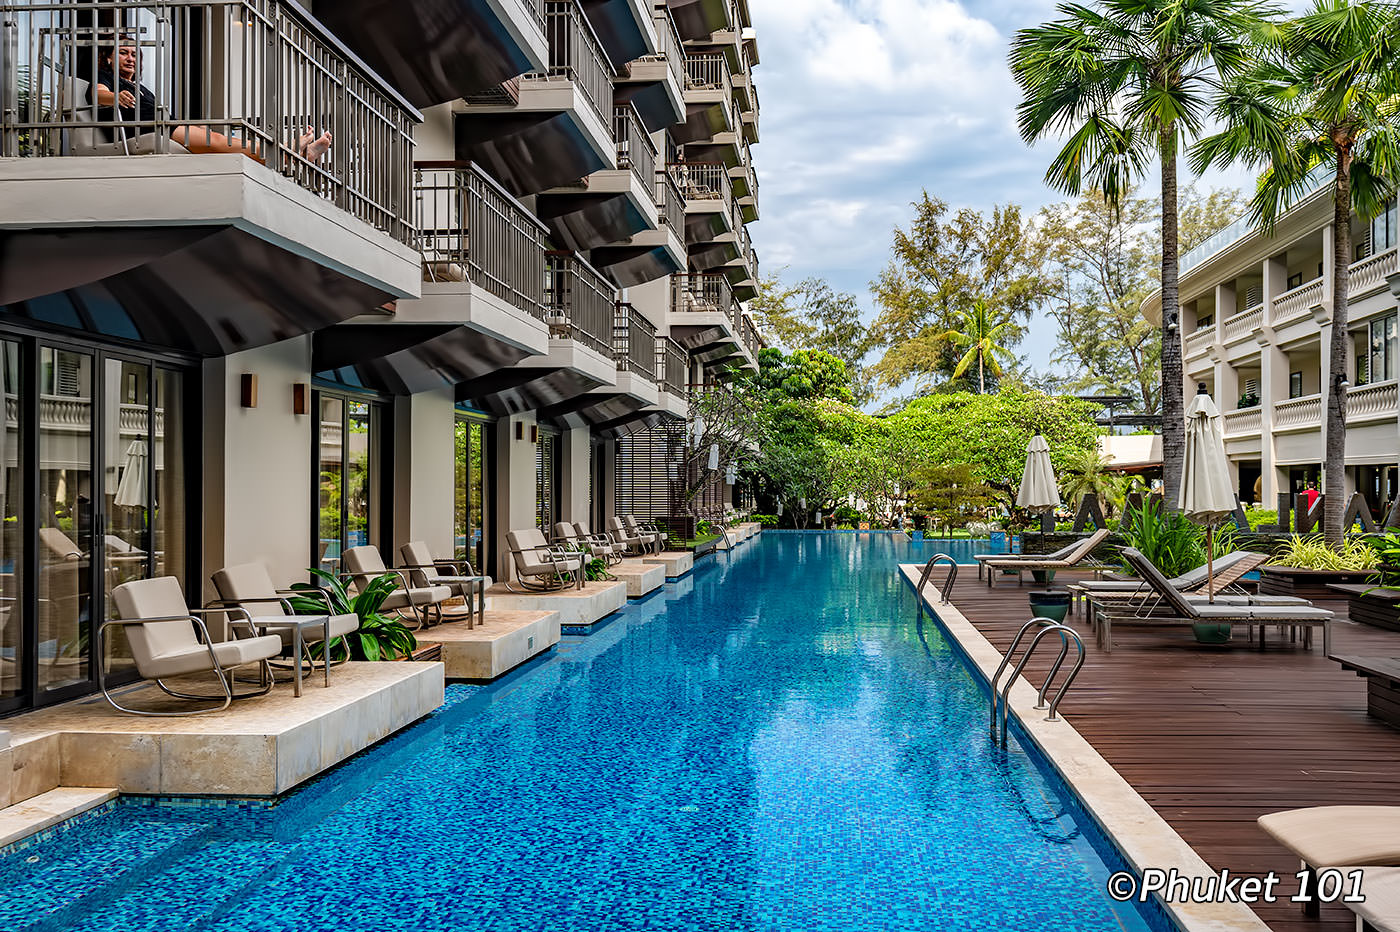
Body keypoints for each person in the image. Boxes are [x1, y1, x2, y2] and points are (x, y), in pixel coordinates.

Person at [91, 43, 332, 162]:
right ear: (108, 59)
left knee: (218, 141)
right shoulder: (106, 78)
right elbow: (97, 94)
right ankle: (284, 151)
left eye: (134, 54)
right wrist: (115, 97)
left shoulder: (139, 88)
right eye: (122, 53)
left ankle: (293, 153)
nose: (130, 58)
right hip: (142, 129)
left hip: (161, 125)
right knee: (215, 141)